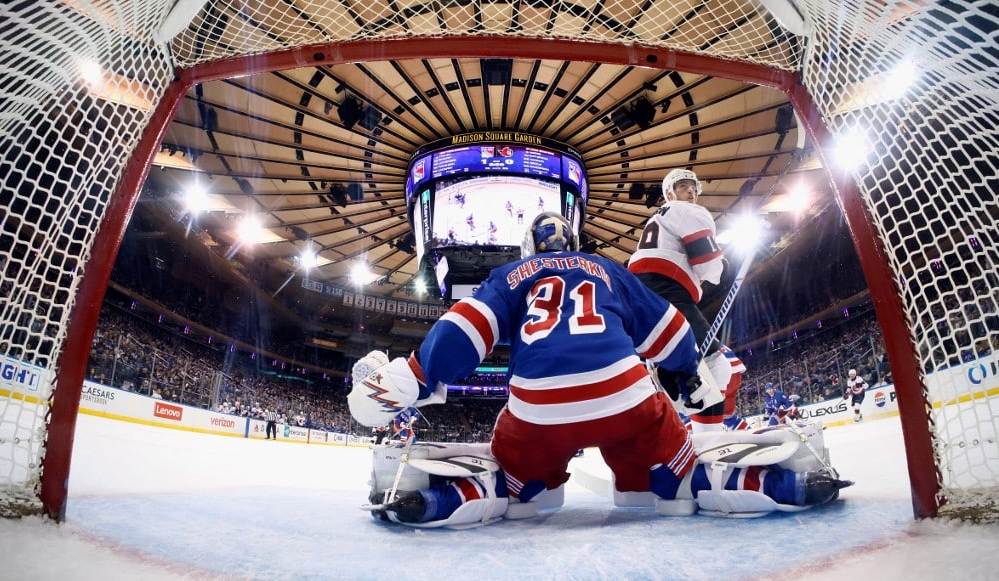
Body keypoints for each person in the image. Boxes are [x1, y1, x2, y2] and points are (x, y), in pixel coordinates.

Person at [348, 212, 850, 526]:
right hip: (624, 396)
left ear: (530, 249)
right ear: (573, 240)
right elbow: (672, 330)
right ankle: (738, 484)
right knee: (667, 457)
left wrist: (417, 372)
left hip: (538, 408)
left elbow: (468, 328)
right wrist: (685, 374)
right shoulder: (608, 268)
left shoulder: (509, 275)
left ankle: (469, 495)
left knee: (515, 474)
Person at [627, 168, 738, 432]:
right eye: (683, 186)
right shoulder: (688, 211)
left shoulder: (659, 218)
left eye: (693, 187)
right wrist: (722, 267)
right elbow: (707, 266)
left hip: (640, 295)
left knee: (686, 370)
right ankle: (706, 436)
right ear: (669, 193)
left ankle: (669, 389)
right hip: (666, 290)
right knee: (719, 366)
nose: (690, 191)